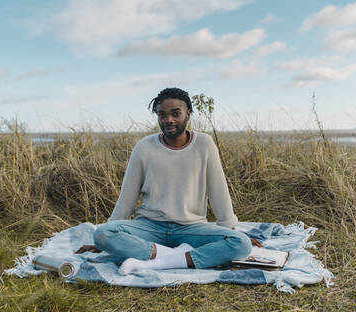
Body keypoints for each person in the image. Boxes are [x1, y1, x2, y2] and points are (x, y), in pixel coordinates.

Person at [75, 87, 260, 275]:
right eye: (162, 115)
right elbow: (127, 196)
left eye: (175, 114)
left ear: (188, 114)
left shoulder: (204, 144)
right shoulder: (144, 147)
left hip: (191, 228)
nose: (168, 120)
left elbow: (218, 191)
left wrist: (230, 232)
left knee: (241, 243)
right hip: (150, 226)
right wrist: (104, 241)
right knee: (102, 233)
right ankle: (178, 257)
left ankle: (156, 262)